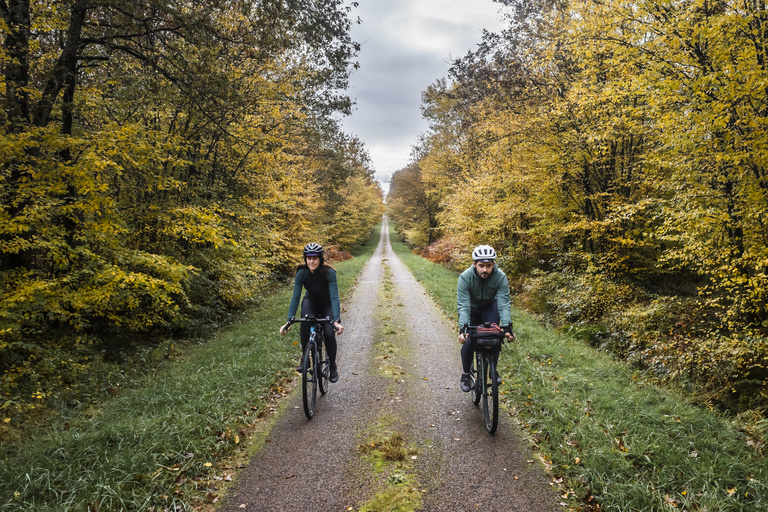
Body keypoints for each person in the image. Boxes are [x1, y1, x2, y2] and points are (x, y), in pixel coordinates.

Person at [280, 243, 344, 382]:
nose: (311, 261)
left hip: (327, 304)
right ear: (305, 259)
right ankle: (305, 358)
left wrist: (336, 321)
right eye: (308, 258)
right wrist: (289, 320)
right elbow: (296, 297)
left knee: (328, 333)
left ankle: (332, 366)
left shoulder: (329, 273)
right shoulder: (302, 273)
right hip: (311, 301)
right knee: (305, 322)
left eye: (315, 258)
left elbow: (334, 297)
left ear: (320, 259)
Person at [457, 245, 515, 392]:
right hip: (471, 308)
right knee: (469, 340)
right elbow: (463, 305)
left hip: (490, 307)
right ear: (474, 264)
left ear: (493, 265)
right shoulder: (465, 277)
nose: (485, 270)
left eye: (488, 266)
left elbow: (503, 303)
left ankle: (492, 370)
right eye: (481, 265)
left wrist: (508, 328)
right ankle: (465, 374)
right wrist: (463, 330)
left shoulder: (500, 276)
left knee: (494, 336)